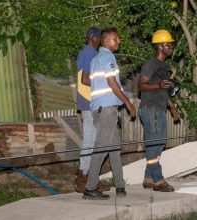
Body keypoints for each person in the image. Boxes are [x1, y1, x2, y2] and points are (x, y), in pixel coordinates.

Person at [83, 28, 136, 200]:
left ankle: (119, 185)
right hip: (106, 109)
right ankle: (90, 188)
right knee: (101, 148)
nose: (118, 41)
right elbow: (112, 82)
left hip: (101, 108)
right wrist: (128, 103)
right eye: (115, 38)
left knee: (114, 149)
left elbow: (94, 82)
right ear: (106, 41)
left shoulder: (96, 59)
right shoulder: (107, 57)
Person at [138, 29, 180, 192]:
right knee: (154, 144)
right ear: (159, 46)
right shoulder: (151, 64)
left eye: (171, 43)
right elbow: (141, 85)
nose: (171, 46)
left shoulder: (162, 66)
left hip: (159, 109)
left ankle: (148, 177)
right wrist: (158, 85)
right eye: (168, 43)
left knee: (158, 143)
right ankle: (158, 179)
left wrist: (173, 108)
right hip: (151, 109)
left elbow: (163, 90)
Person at [75, 27, 109, 193]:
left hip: (89, 102)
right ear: (93, 38)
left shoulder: (87, 52)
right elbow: (85, 79)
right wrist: (105, 83)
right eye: (99, 38)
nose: (100, 41)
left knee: (93, 140)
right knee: (90, 140)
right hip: (89, 103)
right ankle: (84, 176)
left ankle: (88, 175)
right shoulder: (89, 52)